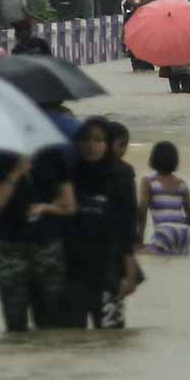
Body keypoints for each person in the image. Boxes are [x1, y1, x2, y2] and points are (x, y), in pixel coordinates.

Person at [0, 138, 75, 332]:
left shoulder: (52, 153)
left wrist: (46, 207)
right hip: (9, 247)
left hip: (47, 246)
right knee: (15, 324)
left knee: (51, 323)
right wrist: (15, 173)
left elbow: (69, 205)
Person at [64, 119, 139, 329]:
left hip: (109, 267)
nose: (91, 145)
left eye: (98, 140)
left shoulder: (122, 175)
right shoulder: (69, 171)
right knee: (70, 338)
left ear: (107, 144)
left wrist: (130, 272)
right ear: (78, 143)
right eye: (86, 140)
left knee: (111, 338)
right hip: (72, 269)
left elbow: (128, 223)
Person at [139, 142, 190, 254]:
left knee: (139, 255)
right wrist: (177, 225)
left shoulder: (148, 182)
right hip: (184, 233)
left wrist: (140, 242)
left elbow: (142, 213)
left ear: (153, 159)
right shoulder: (181, 184)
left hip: (164, 232)